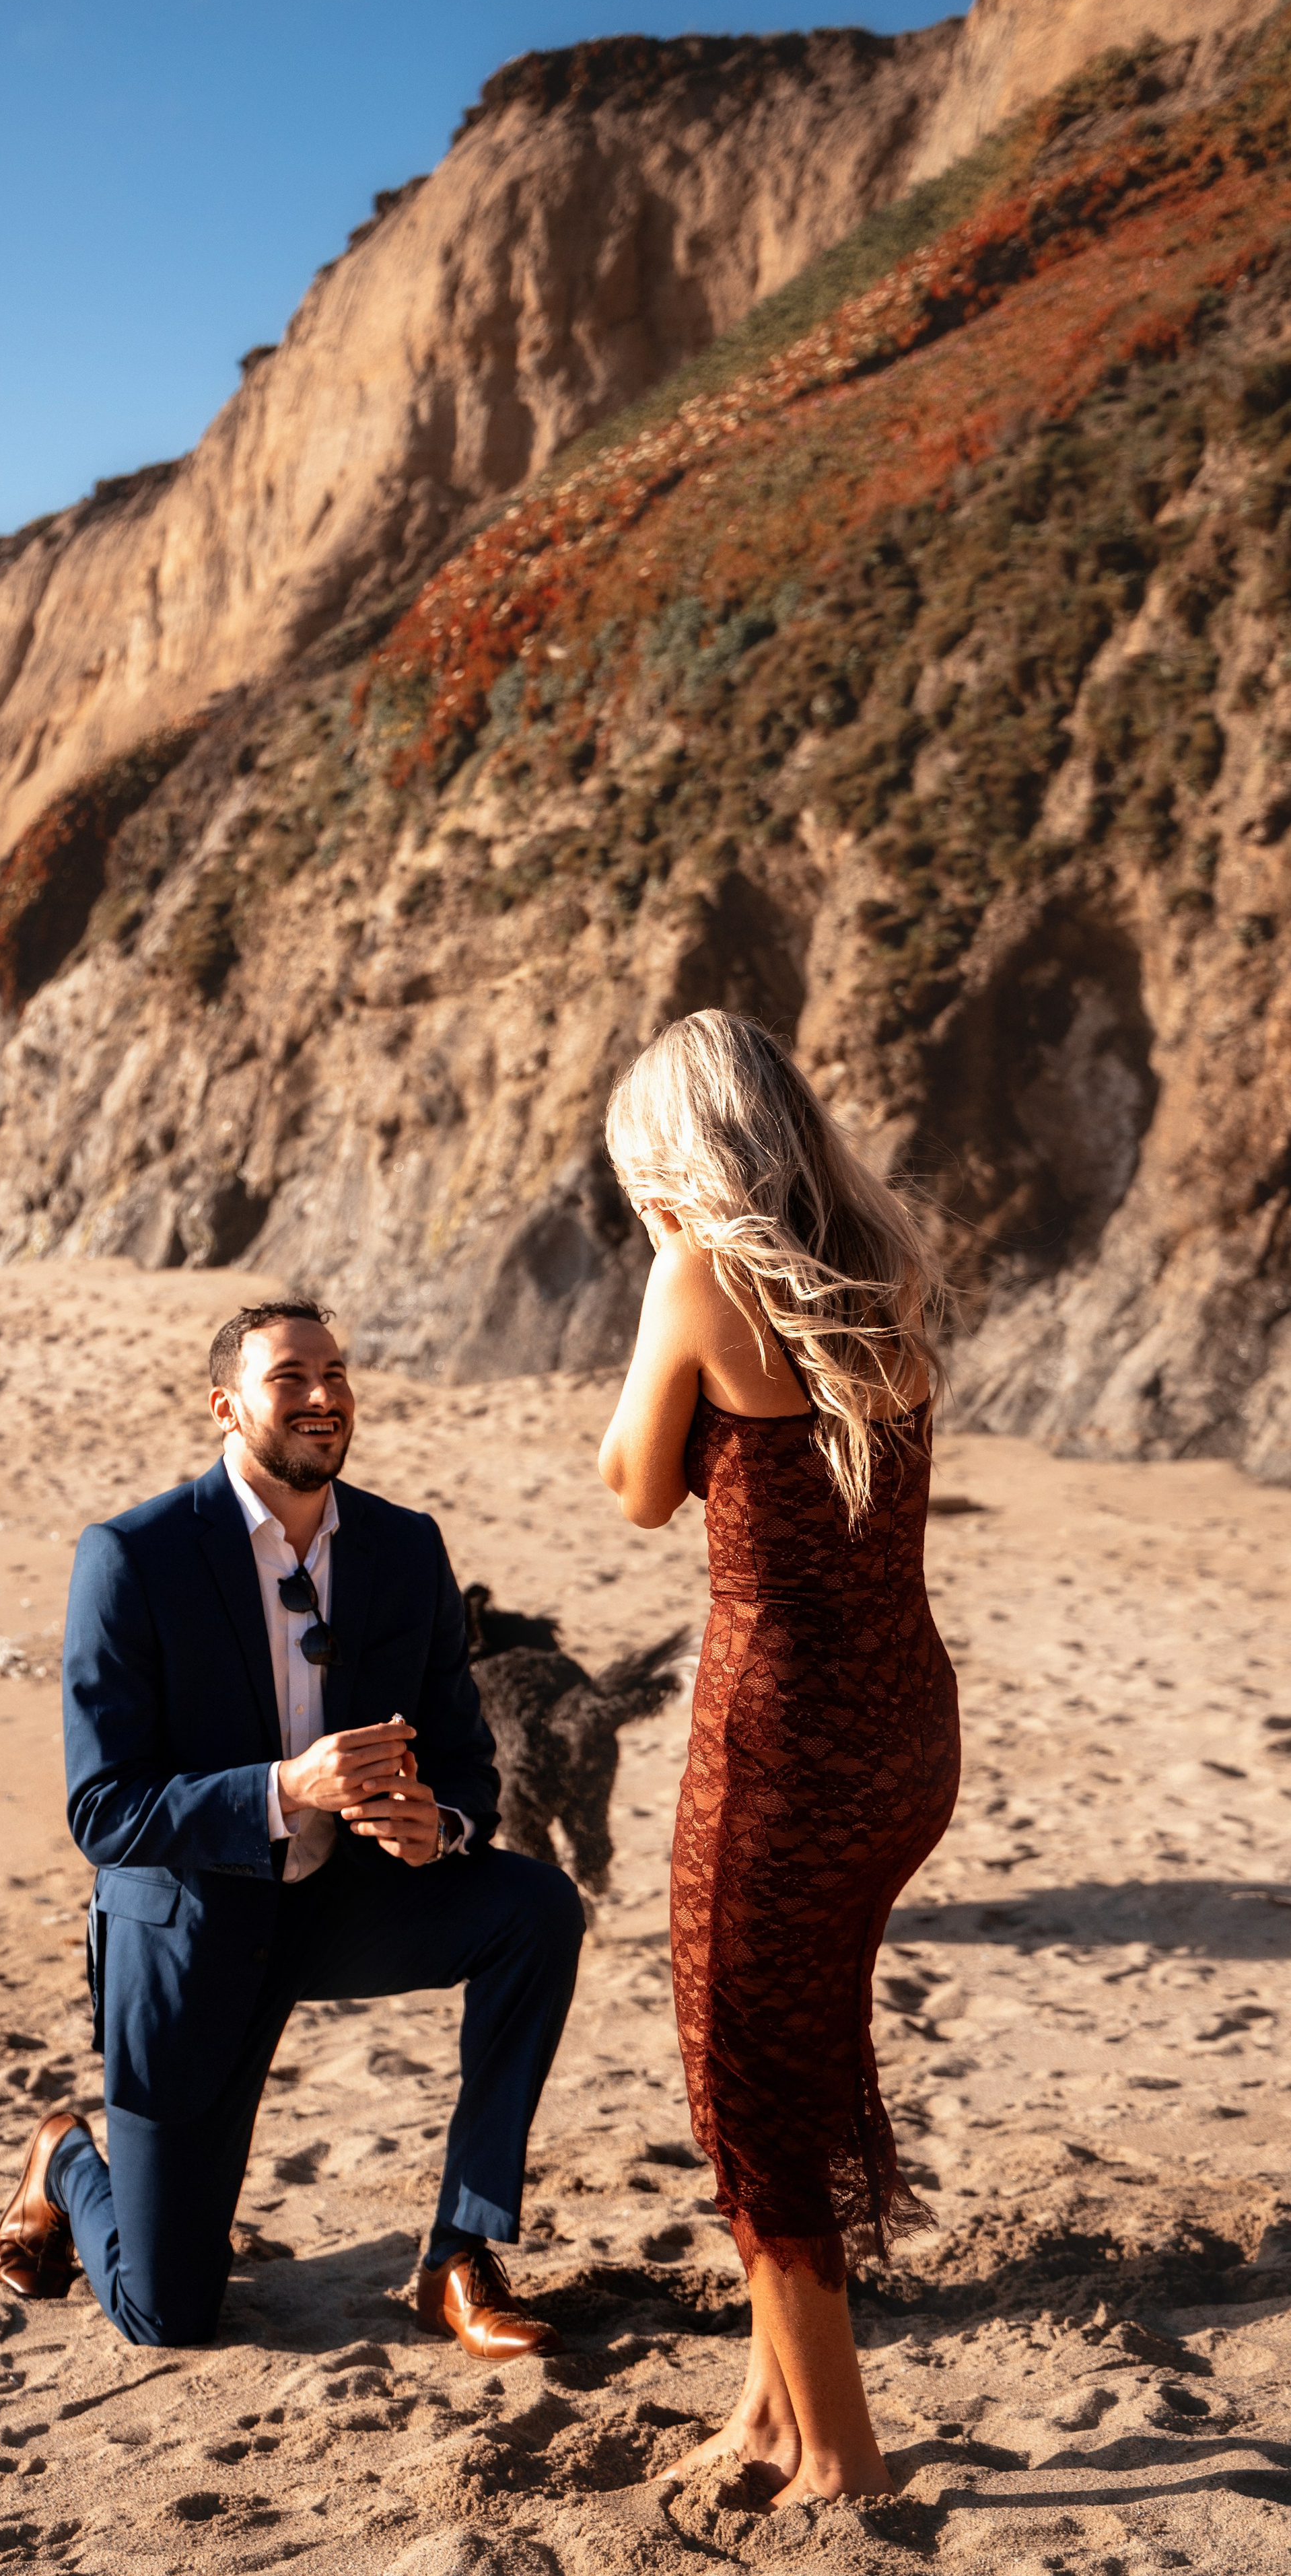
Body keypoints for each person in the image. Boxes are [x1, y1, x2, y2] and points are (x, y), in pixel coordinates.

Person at [0, 1297, 584, 2357]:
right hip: (191, 1931)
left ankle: (458, 2255)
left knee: (536, 1907)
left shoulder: (406, 1546)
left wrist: (440, 1824)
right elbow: (104, 1810)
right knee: (167, 2316)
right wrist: (285, 1788)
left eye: (336, 1373)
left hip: (350, 1908)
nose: (324, 1396)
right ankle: (68, 2160)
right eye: (291, 1378)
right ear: (226, 1407)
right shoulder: (132, 1556)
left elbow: (466, 1760)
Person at [597, 1011, 961, 2509]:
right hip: (905, 1727)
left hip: (782, 1737)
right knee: (802, 2048)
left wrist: (662, 1284)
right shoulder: (881, 1269)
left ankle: (840, 2456)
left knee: (749, 2087)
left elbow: (634, 1489)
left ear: (674, 1152)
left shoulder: (694, 1276)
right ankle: (765, 2410)